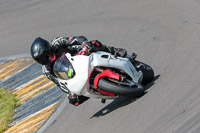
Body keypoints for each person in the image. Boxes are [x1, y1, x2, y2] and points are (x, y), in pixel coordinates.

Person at [30, 36, 128, 106]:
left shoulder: (56, 43)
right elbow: (60, 83)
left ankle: (115, 51)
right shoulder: (46, 70)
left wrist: (84, 44)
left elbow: (76, 39)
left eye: (46, 56)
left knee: (93, 44)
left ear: (49, 48)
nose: (47, 60)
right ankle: (100, 92)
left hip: (80, 55)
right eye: (42, 60)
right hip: (73, 74)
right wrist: (70, 92)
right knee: (74, 101)